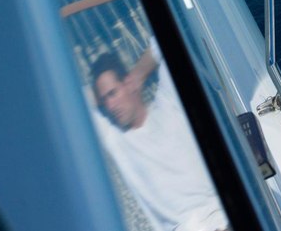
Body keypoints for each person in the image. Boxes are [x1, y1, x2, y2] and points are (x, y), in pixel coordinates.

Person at [89, 39, 228, 231]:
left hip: (223, 216)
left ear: (127, 83)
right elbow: (73, 103)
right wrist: (99, 92)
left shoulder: (170, 101)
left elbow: (167, 41)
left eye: (113, 93)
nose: (110, 106)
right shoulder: (116, 140)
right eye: (104, 100)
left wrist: (138, 74)